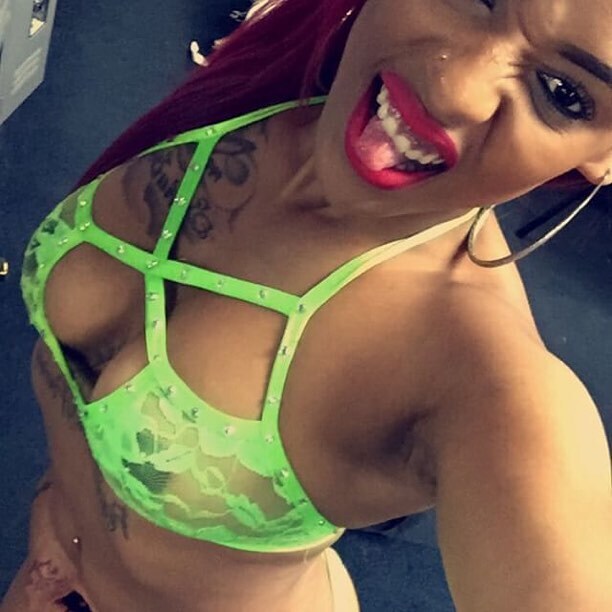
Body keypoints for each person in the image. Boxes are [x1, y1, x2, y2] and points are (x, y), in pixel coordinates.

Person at [3, 0, 611, 610]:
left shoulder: (484, 382)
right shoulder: (283, 81)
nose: (455, 87)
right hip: (48, 566)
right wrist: (52, 514)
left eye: (563, 93)